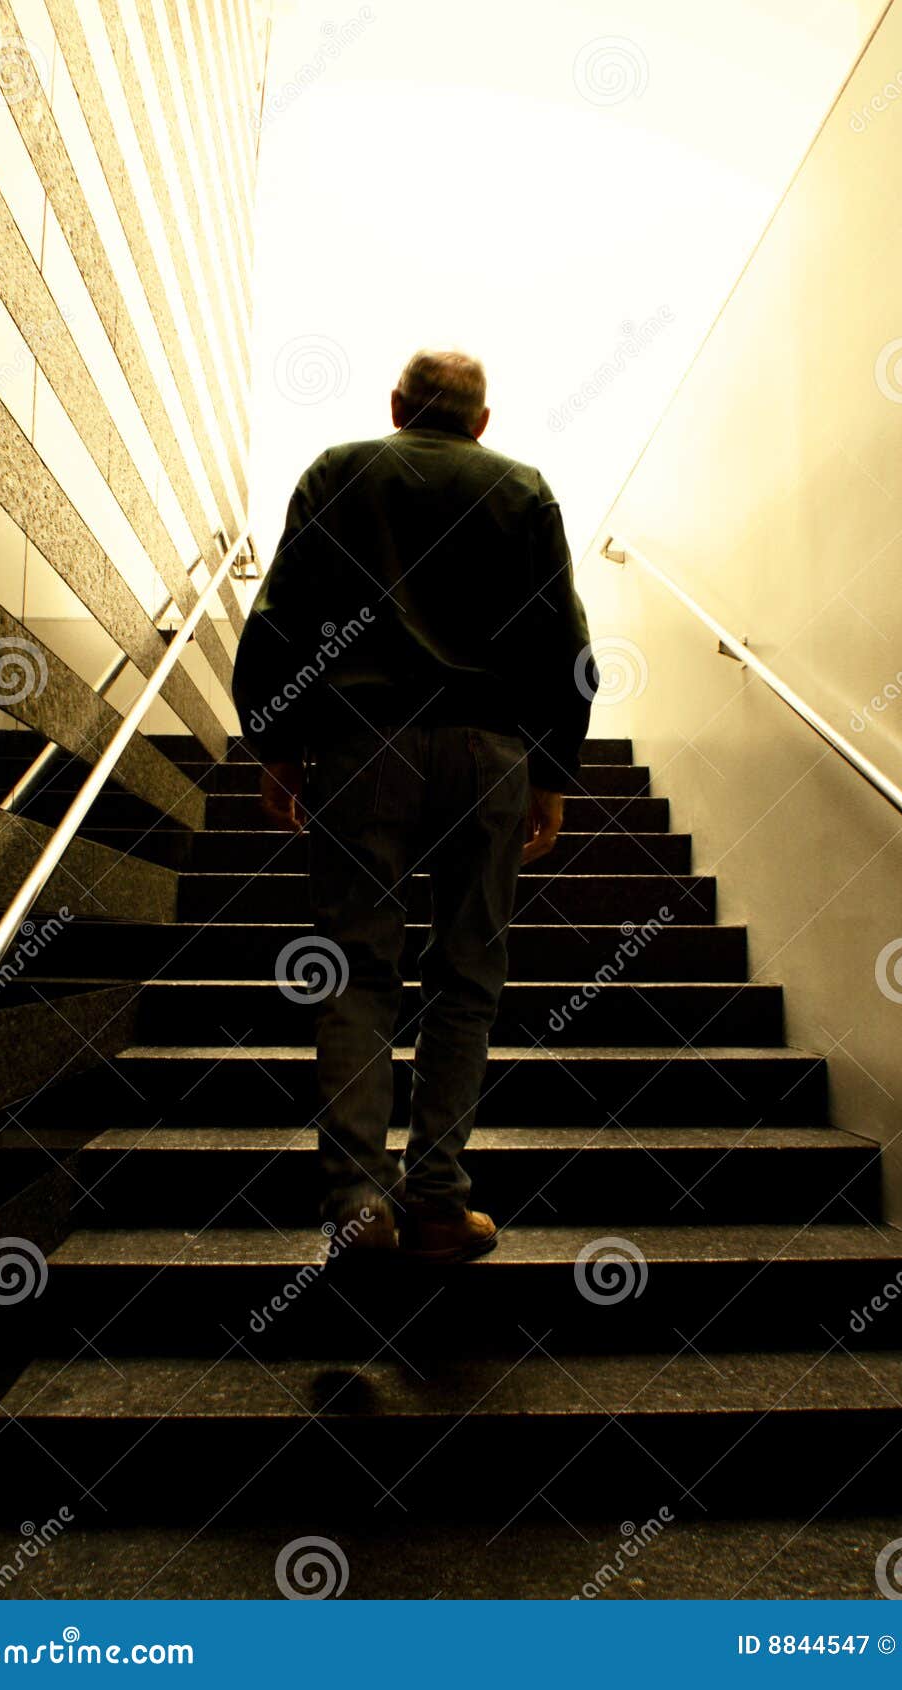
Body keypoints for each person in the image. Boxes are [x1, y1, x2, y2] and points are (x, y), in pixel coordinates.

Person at [232, 349, 596, 1262]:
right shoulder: (524, 490)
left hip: (363, 746)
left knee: (355, 973)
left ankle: (359, 1203)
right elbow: (564, 639)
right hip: (489, 753)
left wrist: (277, 743)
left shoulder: (337, 472)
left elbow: (281, 617)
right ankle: (438, 1200)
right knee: (467, 977)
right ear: (481, 420)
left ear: (397, 407)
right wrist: (552, 769)